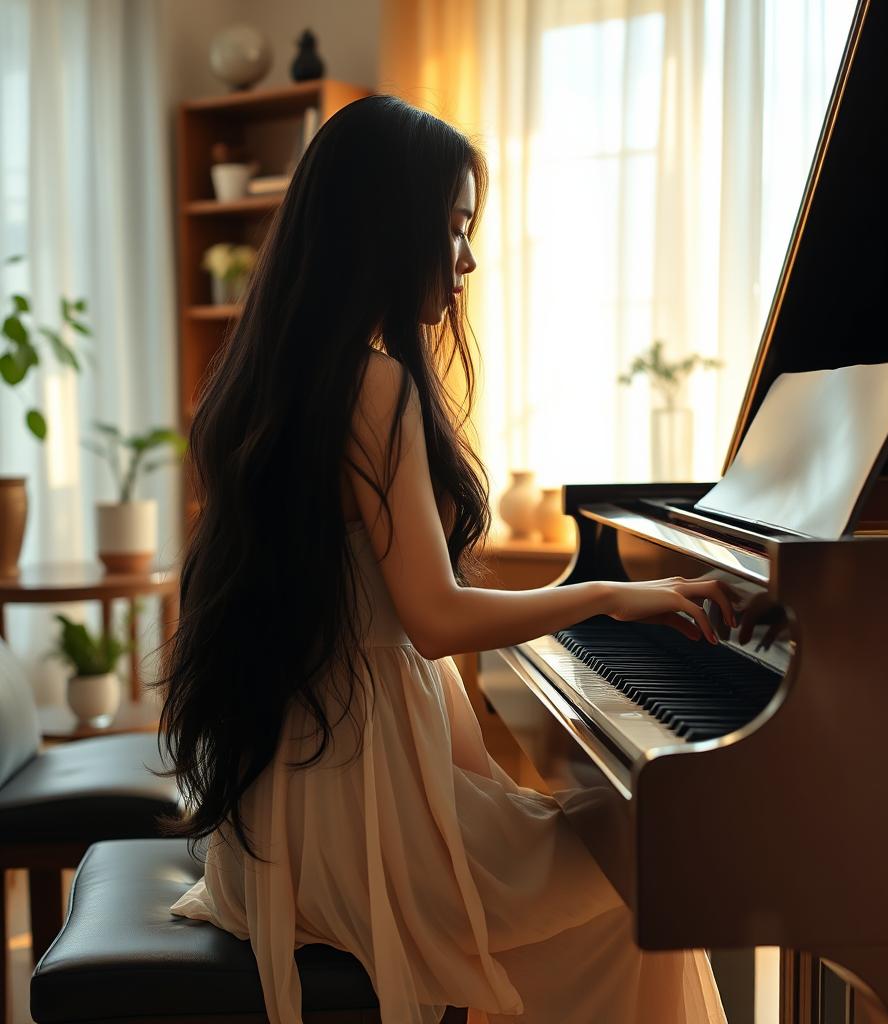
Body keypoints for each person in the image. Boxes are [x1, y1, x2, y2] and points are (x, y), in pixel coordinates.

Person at [159, 94, 733, 1024]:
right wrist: (609, 598)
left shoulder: (281, 376)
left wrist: (490, 794)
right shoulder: (371, 381)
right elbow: (432, 625)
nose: (467, 260)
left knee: (614, 875)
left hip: (298, 813)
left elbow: (379, 642)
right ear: (386, 228)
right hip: (359, 825)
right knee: (645, 889)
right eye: (454, 229)